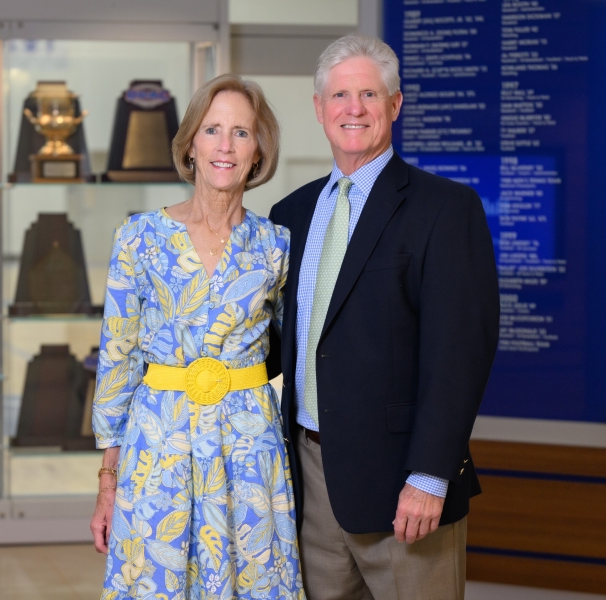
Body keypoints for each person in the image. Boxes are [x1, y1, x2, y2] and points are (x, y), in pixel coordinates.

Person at [267, 34, 500, 599]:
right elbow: (281, 342)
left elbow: (460, 354)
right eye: (340, 95)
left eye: (369, 94)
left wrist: (428, 476)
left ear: (395, 105)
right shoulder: (289, 213)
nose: (354, 108)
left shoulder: (446, 209)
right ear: (319, 109)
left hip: (404, 487)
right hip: (311, 480)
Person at [90, 74, 305, 600]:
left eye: (241, 133)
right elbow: (116, 360)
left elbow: (298, 356)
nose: (225, 146)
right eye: (212, 130)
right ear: (190, 145)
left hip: (248, 450)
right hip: (158, 446)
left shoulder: (277, 245)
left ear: (259, 152)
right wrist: (106, 481)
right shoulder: (138, 237)